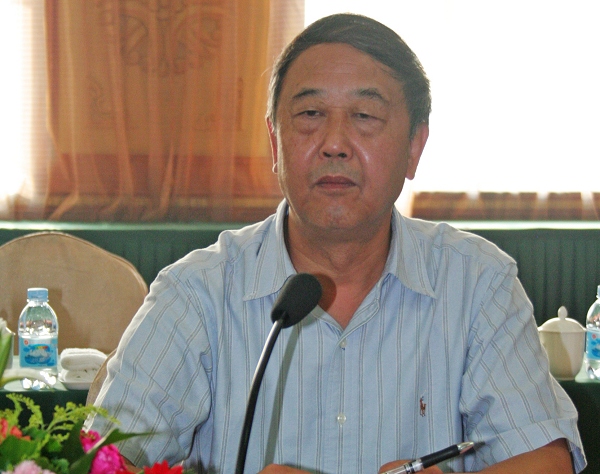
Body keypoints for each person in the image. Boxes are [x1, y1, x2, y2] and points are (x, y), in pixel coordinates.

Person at [89, 13, 586, 473]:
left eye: (365, 116)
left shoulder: (477, 282)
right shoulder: (195, 294)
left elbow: (546, 461)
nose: (334, 143)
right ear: (275, 143)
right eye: (310, 113)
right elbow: (99, 462)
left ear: (414, 147)